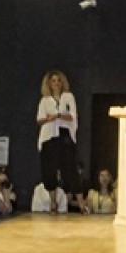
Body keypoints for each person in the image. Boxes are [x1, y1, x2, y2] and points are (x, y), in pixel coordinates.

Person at [36, 70, 78, 213]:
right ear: (49, 83)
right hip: (49, 136)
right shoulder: (45, 100)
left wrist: (58, 115)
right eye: (53, 81)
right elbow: (40, 119)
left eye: (59, 80)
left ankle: (80, 202)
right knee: (49, 170)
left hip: (64, 134)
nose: (56, 83)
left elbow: (72, 116)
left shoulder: (68, 96)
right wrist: (49, 118)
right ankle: (53, 202)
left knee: (70, 169)